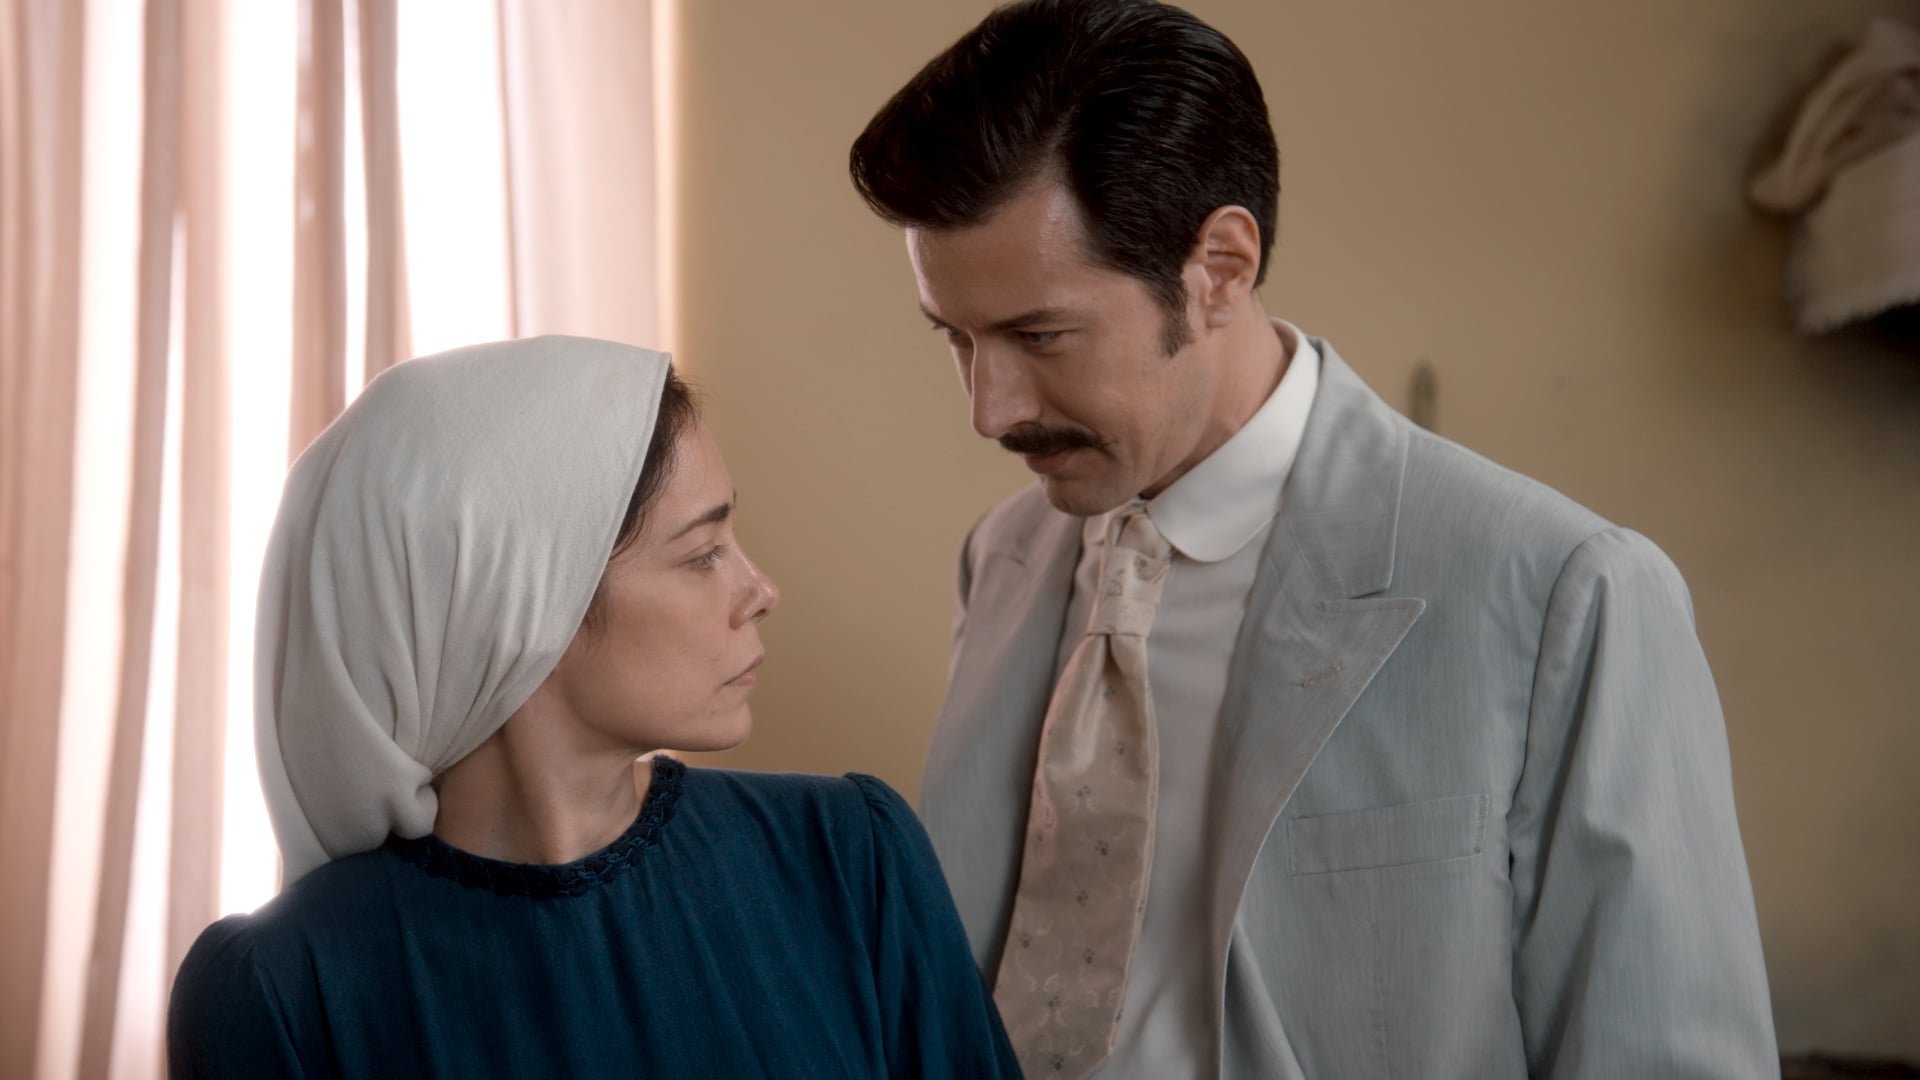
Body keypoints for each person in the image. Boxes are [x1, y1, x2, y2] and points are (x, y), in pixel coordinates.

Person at [848, 1, 1777, 1077]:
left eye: (1040, 334)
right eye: (956, 339)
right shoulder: (1003, 557)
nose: (990, 409)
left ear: (1220, 266)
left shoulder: (1565, 591)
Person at [167, 336, 1018, 1077]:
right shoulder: (278, 988)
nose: (761, 589)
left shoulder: (848, 856)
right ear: (522, 604)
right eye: (703, 553)